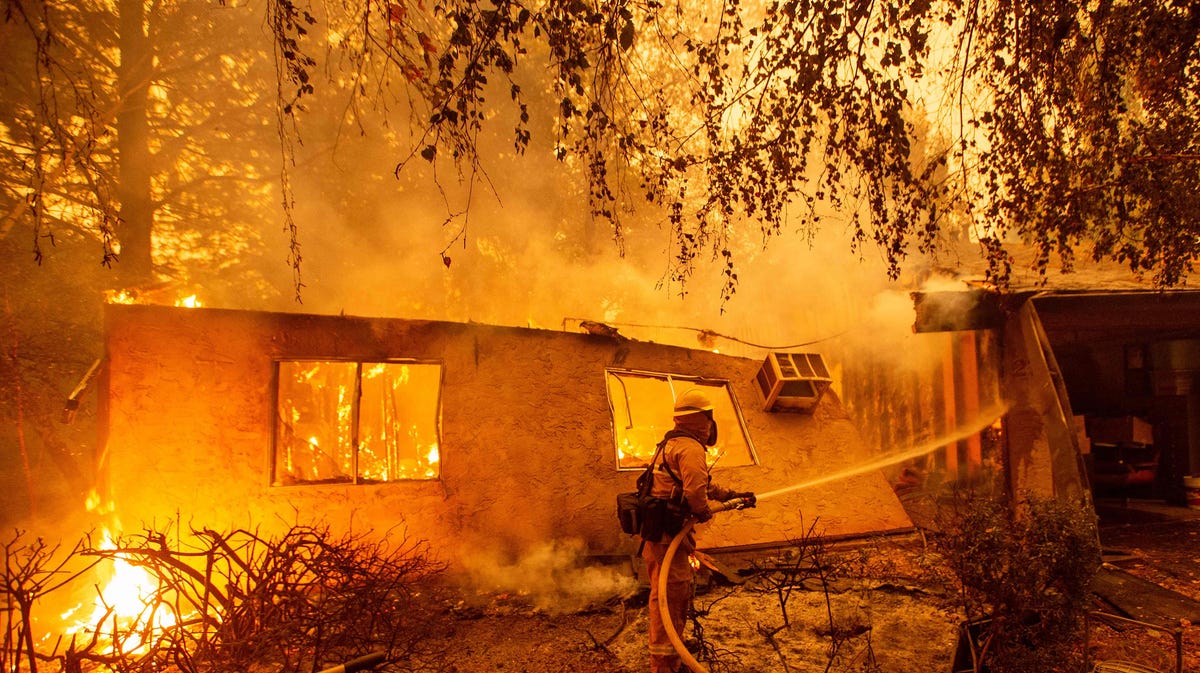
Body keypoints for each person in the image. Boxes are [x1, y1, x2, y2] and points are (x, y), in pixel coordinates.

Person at [641, 389, 754, 673]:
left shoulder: (670, 443)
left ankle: (668, 653)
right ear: (699, 419)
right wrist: (702, 510)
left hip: (659, 537)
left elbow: (698, 485)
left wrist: (731, 495)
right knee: (672, 595)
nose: (710, 425)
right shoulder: (690, 448)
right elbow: (695, 492)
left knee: (664, 595)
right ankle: (666, 664)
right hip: (669, 539)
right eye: (708, 418)